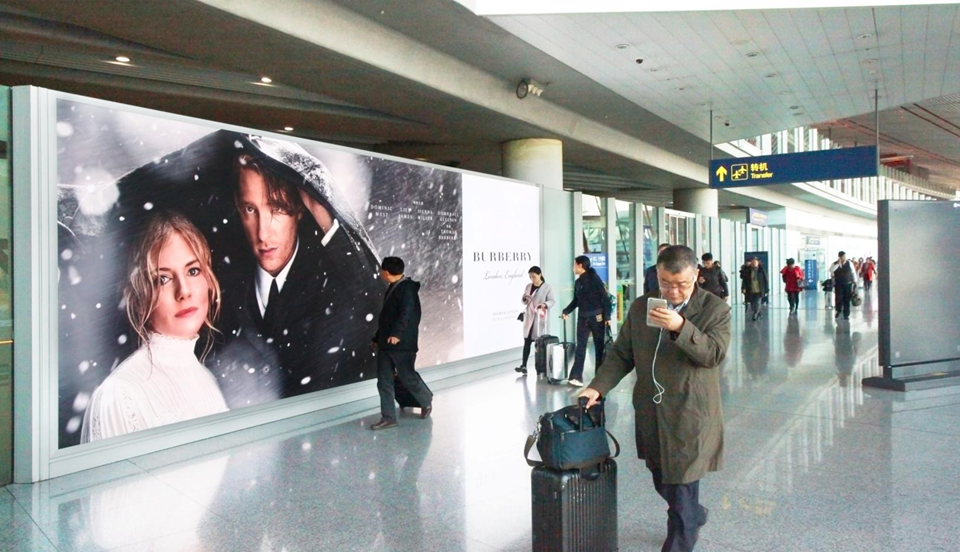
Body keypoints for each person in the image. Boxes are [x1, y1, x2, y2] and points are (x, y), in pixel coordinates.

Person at [579, 245, 731, 552]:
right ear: (656, 276)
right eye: (666, 283)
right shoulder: (642, 307)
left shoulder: (715, 309)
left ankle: (682, 535)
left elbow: (713, 354)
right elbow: (622, 354)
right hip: (652, 409)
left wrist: (681, 327)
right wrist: (598, 387)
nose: (673, 292)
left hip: (691, 412)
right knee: (662, 477)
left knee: (681, 483)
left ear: (696, 276)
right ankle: (693, 513)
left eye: (682, 284)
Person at [215, 149, 381, 406]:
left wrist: (325, 215)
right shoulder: (222, 279)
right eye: (250, 209)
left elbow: (376, 303)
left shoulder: (334, 282)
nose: (263, 232)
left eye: (277, 208)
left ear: (300, 210)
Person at [81, 212, 228, 442]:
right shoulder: (118, 395)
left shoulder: (206, 378)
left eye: (193, 271)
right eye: (163, 279)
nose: (184, 291)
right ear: (138, 298)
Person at [370, 257, 433, 430]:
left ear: (386, 272)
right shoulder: (393, 288)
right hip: (386, 344)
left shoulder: (408, 289)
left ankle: (426, 399)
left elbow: (407, 314)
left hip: (403, 345)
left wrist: (397, 334)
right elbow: (387, 319)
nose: (380, 273)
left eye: (382, 270)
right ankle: (389, 417)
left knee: (408, 377)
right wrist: (377, 338)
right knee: (384, 381)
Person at [561, 255, 613, 387]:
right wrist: (566, 311)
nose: (573, 267)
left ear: (580, 265)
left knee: (599, 346)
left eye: (574, 265)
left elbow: (605, 298)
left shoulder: (594, 279)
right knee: (581, 346)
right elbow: (576, 301)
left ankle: (600, 377)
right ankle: (576, 376)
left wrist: (607, 317)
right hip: (583, 317)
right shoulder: (578, 283)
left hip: (597, 317)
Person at [515, 266, 556, 375]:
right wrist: (524, 299)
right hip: (529, 318)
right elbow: (524, 301)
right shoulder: (528, 286)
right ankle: (524, 365)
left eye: (534, 276)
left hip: (540, 318)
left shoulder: (547, 287)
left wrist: (544, 304)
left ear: (540, 274)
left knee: (540, 343)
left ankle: (541, 367)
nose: (532, 279)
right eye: (530, 277)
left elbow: (552, 301)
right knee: (527, 342)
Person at [829, 251, 858, 320]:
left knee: (846, 299)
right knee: (838, 298)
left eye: (845, 256)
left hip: (848, 284)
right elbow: (831, 270)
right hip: (838, 284)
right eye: (843, 257)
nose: (844, 258)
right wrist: (838, 264)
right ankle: (838, 310)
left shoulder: (849, 263)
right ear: (839, 257)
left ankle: (846, 314)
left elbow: (853, 272)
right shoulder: (835, 264)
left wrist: (855, 281)